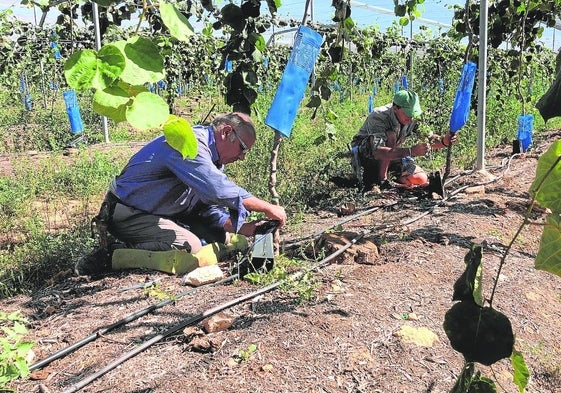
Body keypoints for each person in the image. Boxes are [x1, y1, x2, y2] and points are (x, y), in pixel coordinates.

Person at [75, 112, 287, 276]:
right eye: (242, 149)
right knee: (189, 246)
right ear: (226, 133)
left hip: (158, 213)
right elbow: (218, 189)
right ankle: (111, 255)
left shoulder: (212, 159)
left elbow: (207, 208)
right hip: (128, 212)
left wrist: (245, 228)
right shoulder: (189, 145)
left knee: (221, 237)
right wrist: (268, 207)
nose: (242, 157)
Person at [350, 89, 457, 192]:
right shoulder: (379, 116)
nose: (410, 118)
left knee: (421, 179)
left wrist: (444, 141)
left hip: (389, 156)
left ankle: (396, 178)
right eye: (407, 113)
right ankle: (382, 180)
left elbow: (430, 137)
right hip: (366, 157)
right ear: (396, 108)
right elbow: (377, 152)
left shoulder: (411, 118)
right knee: (390, 135)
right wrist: (411, 151)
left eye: (412, 114)